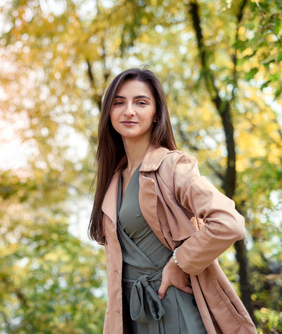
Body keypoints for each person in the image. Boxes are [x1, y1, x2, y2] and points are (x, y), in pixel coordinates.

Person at [88, 68, 256, 333]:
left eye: (141, 102)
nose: (129, 110)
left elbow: (229, 222)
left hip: (174, 307)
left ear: (156, 114)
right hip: (131, 316)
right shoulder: (113, 181)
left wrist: (180, 262)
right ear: (108, 112)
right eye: (119, 102)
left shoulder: (172, 166)